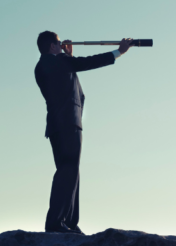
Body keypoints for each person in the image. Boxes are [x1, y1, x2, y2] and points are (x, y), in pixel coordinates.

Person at [34, 31, 133, 234]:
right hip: (65, 124)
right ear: (52, 46)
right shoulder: (50, 62)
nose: (62, 46)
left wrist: (68, 57)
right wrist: (118, 52)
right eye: (59, 44)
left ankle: (69, 221)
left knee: (71, 171)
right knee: (67, 170)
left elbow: (70, 82)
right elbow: (86, 63)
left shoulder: (55, 63)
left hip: (66, 124)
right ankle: (56, 222)